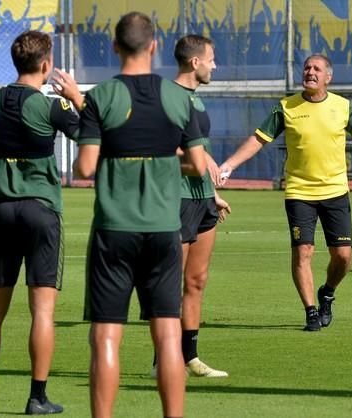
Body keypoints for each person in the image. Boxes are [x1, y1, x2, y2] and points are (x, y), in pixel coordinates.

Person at [54, 12, 207, 418]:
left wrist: (119, 153)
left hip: (114, 230)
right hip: (163, 229)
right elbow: (198, 164)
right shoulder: (178, 98)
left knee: (105, 335)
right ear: (154, 47)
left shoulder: (101, 96)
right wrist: (161, 157)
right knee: (168, 333)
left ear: (115, 47)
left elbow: (84, 168)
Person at [218, 54, 352, 331]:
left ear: (328, 76)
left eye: (316, 68)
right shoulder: (287, 107)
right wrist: (229, 165)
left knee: (343, 256)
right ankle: (310, 311)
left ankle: (327, 292)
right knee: (303, 251)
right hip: (299, 191)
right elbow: (258, 139)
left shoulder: (342, 107)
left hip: (335, 191)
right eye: (306, 68)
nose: (310, 72)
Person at [0, 30, 79, 414]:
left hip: (1, 212)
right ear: (46, 65)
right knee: (43, 311)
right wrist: (75, 98)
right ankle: (37, 397)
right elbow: (90, 136)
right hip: (42, 212)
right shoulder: (51, 107)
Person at [150, 34, 230, 379]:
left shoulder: (195, 101)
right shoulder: (166, 96)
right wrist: (197, 161)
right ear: (195, 62)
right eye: (211, 59)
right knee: (169, 284)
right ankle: (161, 360)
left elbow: (196, 144)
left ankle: (191, 357)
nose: (215, 65)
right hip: (176, 199)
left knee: (196, 280)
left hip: (201, 199)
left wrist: (211, 192)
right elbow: (164, 145)